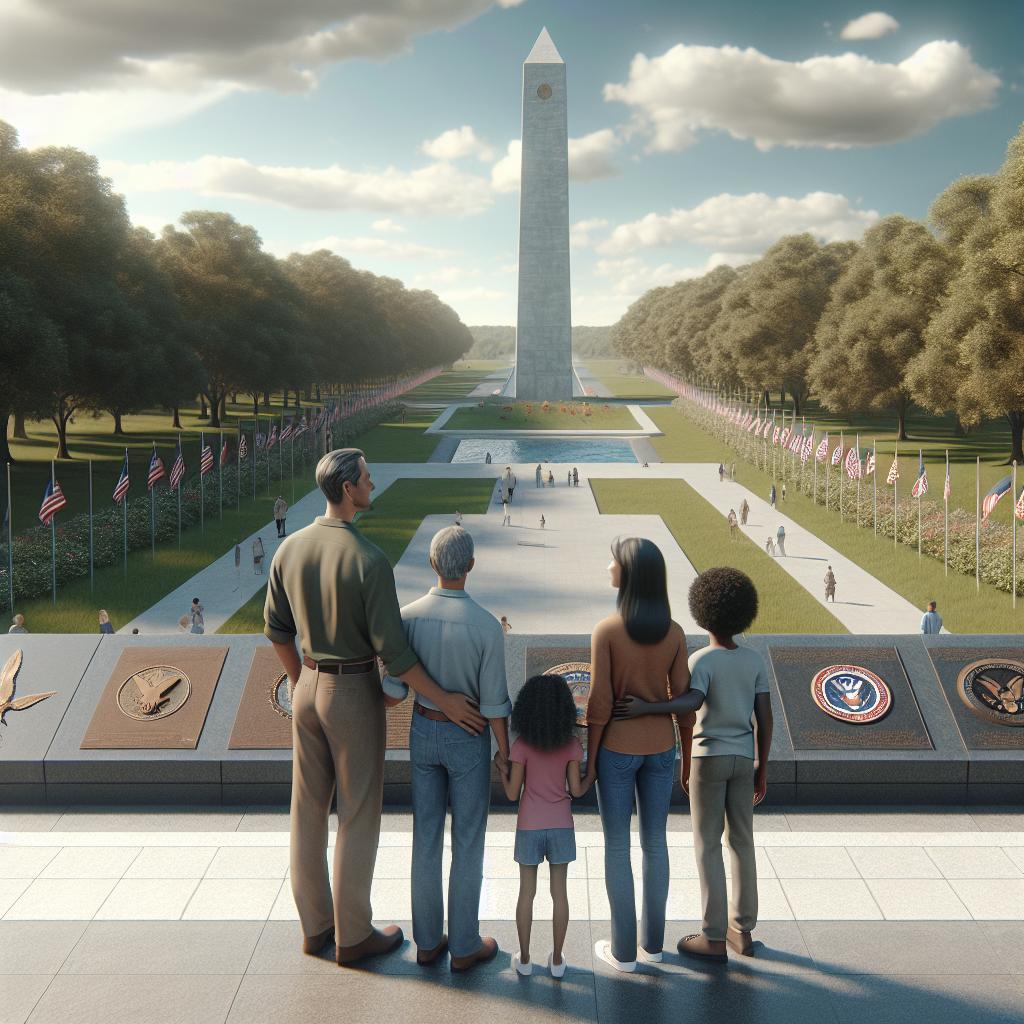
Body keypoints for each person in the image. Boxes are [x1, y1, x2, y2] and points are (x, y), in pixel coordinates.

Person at [265, 448, 487, 966]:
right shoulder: (367, 559)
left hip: (308, 684)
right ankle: (353, 935)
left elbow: (277, 631)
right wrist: (447, 701)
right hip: (351, 691)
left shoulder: (290, 549)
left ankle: (315, 927)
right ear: (347, 489)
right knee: (357, 814)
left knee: (307, 812)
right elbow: (397, 655)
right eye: (366, 477)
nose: (372, 482)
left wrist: (302, 681)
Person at [382, 526, 511, 972]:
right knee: (469, 839)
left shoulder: (408, 616)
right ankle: (465, 943)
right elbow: (495, 702)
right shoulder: (486, 626)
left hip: (422, 729)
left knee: (426, 838)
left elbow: (395, 688)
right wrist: (506, 754)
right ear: (470, 566)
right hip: (468, 736)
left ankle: (428, 941)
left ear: (432, 564)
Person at [586, 537, 691, 973]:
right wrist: (684, 756)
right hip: (662, 748)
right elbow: (683, 700)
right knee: (655, 844)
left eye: (615, 560)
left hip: (617, 748)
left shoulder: (607, 631)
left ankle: (624, 951)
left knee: (616, 846)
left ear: (627, 575)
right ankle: (653, 945)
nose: (609, 565)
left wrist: (590, 760)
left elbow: (598, 704)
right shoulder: (674, 633)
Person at [678, 568, 772, 962]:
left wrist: (685, 762)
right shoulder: (753, 661)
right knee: (742, 842)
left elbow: (688, 710)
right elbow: (764, 719)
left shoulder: (699, 660)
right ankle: (743, 931)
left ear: (703, 612)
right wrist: (761, 767)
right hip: (741, 759)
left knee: (707, 845)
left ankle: (712, 935)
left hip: (707, 758)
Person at [498, 675, 590, 978]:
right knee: (559, 894)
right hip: (562, 825)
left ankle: (524, 959)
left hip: (529, 825)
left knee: (527, 893)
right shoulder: (571, 745)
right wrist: (594, 774)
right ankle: (558, 960)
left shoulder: (521, 745)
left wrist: (503, 769)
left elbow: (512, 794)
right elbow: (576, 790)